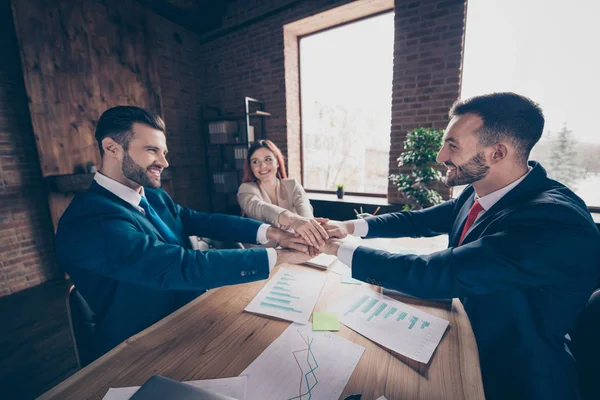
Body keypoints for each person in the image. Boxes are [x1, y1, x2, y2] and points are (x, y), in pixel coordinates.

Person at [318, 93, 600, 400]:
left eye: (452, 145)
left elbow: (432, 274)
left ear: (496, 153)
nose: (440, 156)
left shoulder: (552, 222)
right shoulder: (480, 190)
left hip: (512, 376)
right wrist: (348, 227)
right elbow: (418, 221)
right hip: (467, 336)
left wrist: (335, 248)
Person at [55, 106, 314, 359]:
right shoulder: (89, 220)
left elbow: (202, 220)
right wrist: (280, 257)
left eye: (164, 151)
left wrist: (274, 233)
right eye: (151, 150)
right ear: (111, 147)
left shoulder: (154, 196)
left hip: (194, 318)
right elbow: (178, 265)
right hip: (140, 348)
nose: (164, 162)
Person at [237, 140, 328, 248]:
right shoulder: (246, 189)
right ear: (251, 167)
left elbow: (304, 209)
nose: (262, 166)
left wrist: (309, 225)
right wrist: (293, 219)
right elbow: (261, 208)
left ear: (277, 163)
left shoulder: (292, 185)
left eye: (268, 159)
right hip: (261, 255)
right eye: (255, 162)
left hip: (295, 250)